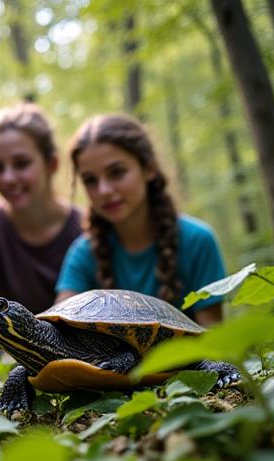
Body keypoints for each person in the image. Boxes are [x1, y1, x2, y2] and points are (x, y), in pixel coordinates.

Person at [55, 113, 226, 326]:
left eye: (116, 173)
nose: (104, 190)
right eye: (90, 180)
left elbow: (214, 344)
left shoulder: (198, 241)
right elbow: (60, 330)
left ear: (149, 168)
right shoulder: (82, 255)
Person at [0, 103, 83, 379]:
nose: (8, 178)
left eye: (21, 164)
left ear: (52, 164)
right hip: (9, 354)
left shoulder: (86, 230)